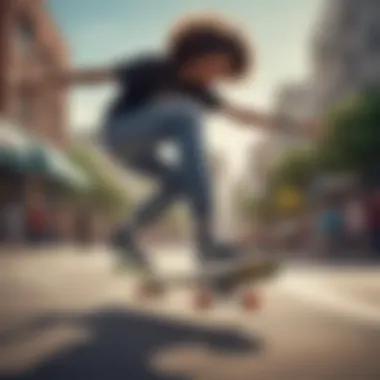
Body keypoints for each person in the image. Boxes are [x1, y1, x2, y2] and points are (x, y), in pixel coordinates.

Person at [20, 15, 314, 279]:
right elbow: (97, 75)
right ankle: (207, 242)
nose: (218, 77)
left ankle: (125, 234)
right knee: (186, 115)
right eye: (220, 67)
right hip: (119, 133)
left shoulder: (200, 92)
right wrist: (44, 80)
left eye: (225, 74)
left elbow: (243, 116)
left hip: (141, 153)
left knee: (179, 182)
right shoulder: (155, 67)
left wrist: (298, 126)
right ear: (202, 53)